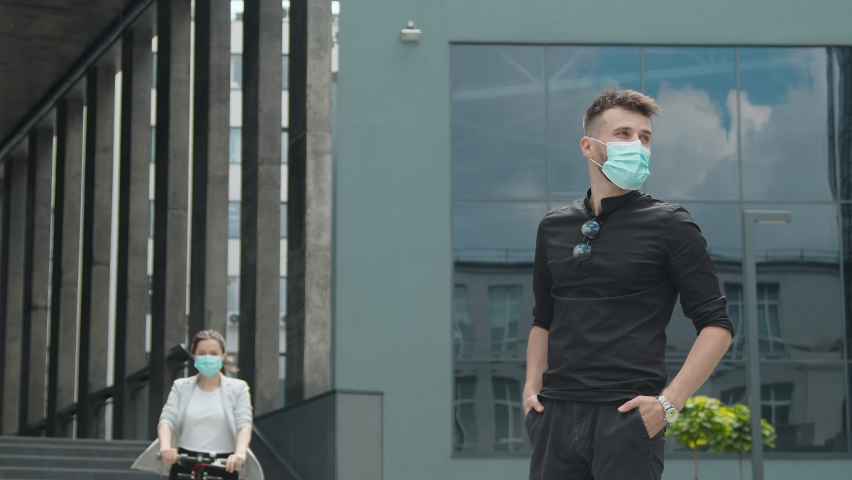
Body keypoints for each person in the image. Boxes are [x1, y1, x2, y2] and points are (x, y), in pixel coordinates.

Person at [524, 89, 735, 480]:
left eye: (645, 137)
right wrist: (530, 391)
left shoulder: (671, 225)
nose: (636, 145)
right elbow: (543, 319)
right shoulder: (553, 226)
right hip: (554, 416)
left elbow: (717, 325)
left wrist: (669, 404)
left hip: (627, 417)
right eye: (623, 134)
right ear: (590, 146)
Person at [131, 330, 264, 480]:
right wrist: (165, 447)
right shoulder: (181, 386)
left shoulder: (238, 388)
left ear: (223, 356)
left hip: (225, 464)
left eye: (214, 353)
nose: (208, 358)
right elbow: (167, 420)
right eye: (202, 353)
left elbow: (244, 424)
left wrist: (240, 453)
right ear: (194, 356)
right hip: (185, 462)